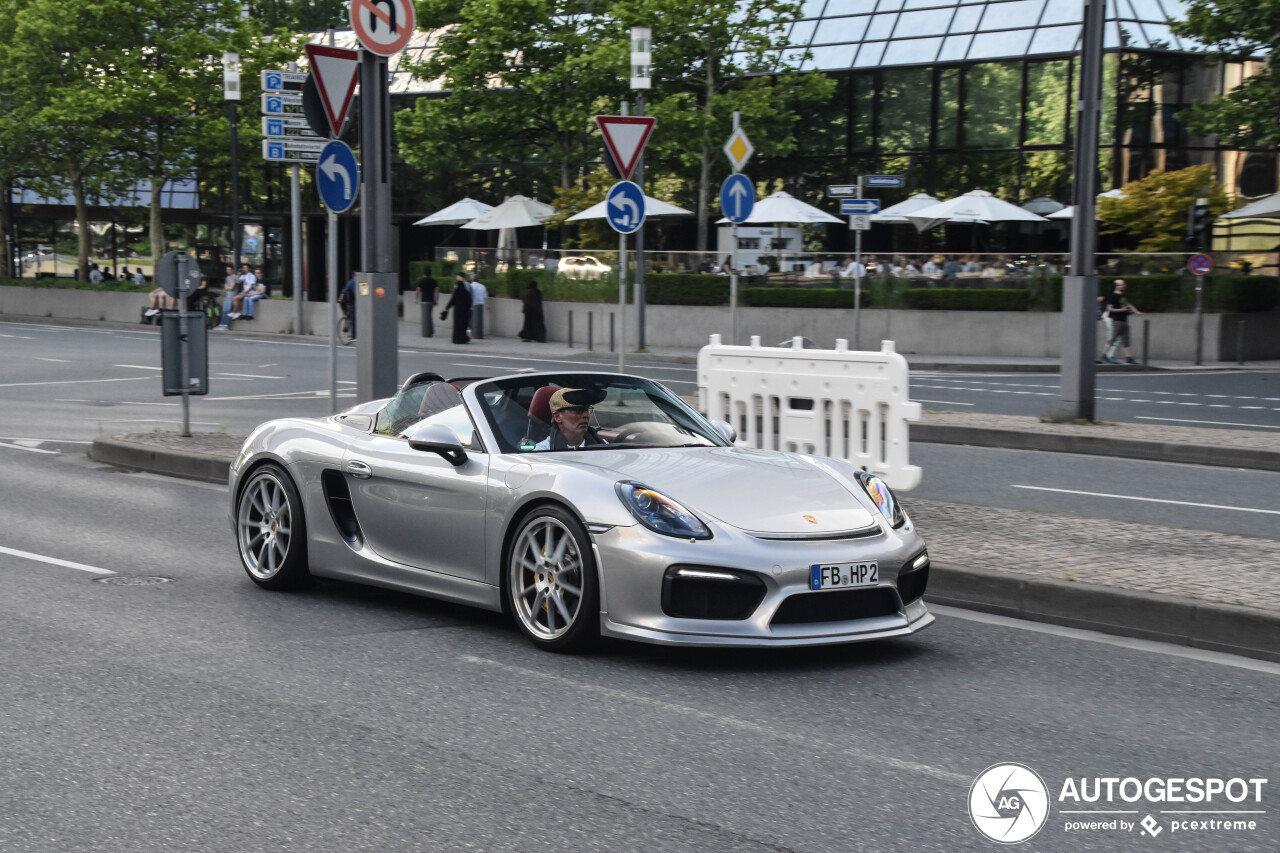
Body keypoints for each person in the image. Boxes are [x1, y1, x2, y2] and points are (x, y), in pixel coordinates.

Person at [533, 388, 609, 450]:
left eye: (586, 409)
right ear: (557, 417)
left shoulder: (604, 445)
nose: (586, 415)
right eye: (577, 410)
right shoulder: (542, 451)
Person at [1101, 279, 1143, 364]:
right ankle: (1104, 355)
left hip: (1124, 320)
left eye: (1124, 284)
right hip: (1117, 320)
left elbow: (1128, 304)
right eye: (1122, 284)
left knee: (1126, 340)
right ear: (1117, 286)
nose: (1124, 285)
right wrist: (1120, 310)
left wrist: (1136, 311)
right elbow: (1109, 308)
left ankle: (1128, 357)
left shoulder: (1122, 295)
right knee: (1113, 339)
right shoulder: (1113, 296)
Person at [440, 273, 473, 344]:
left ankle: (457, 339)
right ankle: (463, 338)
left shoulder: (457, 288)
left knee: (457, 324)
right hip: (465, 310)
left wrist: (447, 308)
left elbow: (453, 299)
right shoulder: (467, 287)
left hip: (458, 309)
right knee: (464, 324)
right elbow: (470, 298)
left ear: (459, 277)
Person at [213, 264, 240, 330]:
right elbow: (226, 287)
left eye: (229, 269)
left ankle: (225, 325)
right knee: (224, 310)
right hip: (227, 295)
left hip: (232, 296)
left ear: (232, 270)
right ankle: (221, 324)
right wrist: (228, 287)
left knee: (228, 310)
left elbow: (231, 288)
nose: (228, 271)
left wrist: (228, 287)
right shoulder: (227, 278)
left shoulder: (235, 277)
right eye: (227, 269)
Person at [416, 268, 438, 338]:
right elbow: (437, 291)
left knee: (425, 316)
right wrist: (436, 300)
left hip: (424, 300)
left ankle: (428, 330)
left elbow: (418, 290)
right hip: (431, 300)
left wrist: (416, 298)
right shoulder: (434, 281)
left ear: (424, 274)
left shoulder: (422, 281)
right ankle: (431, 330)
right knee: (429, 315)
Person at [469, 274, 488, 340]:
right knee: (479, 319)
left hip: (472, 305)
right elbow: (485, 297)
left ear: (471, 279)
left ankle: (472, 331)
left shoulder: (470, 286)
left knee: (471, 319)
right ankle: (478, 332)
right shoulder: (483, 286)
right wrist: (487, 305)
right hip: (480, 305)